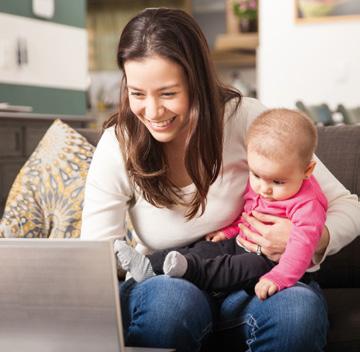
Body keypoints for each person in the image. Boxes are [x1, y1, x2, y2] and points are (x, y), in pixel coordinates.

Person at [81, 7, 360, 352]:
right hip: (169, 285)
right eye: (137, 94)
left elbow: (348, 206)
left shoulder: (245, 118)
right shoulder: (119, 142)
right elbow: (97, 256)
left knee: (296, 311)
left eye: (168, 93)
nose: (152, 112)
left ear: (196, 80)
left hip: (249, 285)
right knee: (171, 304)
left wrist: (311, 238)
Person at [115, 108, 328, 301]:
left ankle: (189, 271)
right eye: (256, 175)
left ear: (307, 171)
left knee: (236, 267)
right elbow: (250, 214)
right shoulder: (265, 181)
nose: (264, 189)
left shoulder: (308, 205)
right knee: (202, 248)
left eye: (278, 182)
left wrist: (280, 277)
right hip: (241, 242)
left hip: (272, 263)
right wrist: (229, 231)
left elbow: (302, 246)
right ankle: (148, 265)